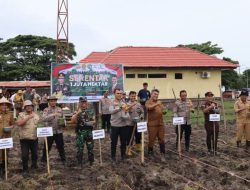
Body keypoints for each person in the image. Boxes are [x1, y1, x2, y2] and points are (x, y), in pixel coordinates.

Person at [16, 100, 39, 175]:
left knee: (35, 154)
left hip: (34, 138)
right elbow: (19, 123)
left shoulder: (36, 115)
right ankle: (25, 168)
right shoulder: (21, 114)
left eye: (30, 106)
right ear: (24, 107)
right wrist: (28, 117)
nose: (29, 107)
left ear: (32, 107)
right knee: (25, 155)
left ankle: (34, 165)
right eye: (27, 106)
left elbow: (39, 124)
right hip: (24, 139)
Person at [71, 97, 96, 166]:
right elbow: (72, 121)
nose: (83, 104)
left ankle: (91, 161)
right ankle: (80, 162)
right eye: (82, 102)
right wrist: (77, 113)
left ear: (87, 102)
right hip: (80, 132)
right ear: (79, 103)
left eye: (85, 102)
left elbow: (94, 120)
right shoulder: (76, 111)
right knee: (80, 148)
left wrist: (90, 123)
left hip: (89, 132)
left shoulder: (90, 111)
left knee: (90, 147)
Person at [41, 96, 66, 163]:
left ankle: (63, 159)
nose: (53, 102)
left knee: (61, 146)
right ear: (49, 102)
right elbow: (43, 119)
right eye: (51, 101)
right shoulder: (46, 110)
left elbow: (63, 118)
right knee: (47, 147)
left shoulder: (60, 109)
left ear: (56, 101)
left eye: (54, 101)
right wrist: (53, 115)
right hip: (49, 131)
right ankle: (44, 159)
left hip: (58, 131)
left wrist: (63, 123)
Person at [109, 88, 129, 163]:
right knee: (113, 142)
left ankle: (123, 156)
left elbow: (127, 112)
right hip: (115, 126)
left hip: (123, 125)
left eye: (120, 93)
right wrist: (119, 107)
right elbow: (111, 111)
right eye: (118, 93)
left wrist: (126, 114)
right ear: (114, 94)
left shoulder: (124, 103)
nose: (119, 95)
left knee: (123, 142)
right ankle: (113, 157)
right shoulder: (111, 102)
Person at [145, 89, 166, 158]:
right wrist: (156, 104)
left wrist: (163, 111)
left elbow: (163, 109)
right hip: (152, 125)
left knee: (162, 138)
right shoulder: (148, 102)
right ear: (151, 94)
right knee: (152, 139)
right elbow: (149, 108)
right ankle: (150, 152)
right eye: (155, 94)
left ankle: (162, 152)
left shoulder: (159, 102)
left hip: (160, 124)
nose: (156, 95)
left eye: (157, 94)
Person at [0, 97, 14, 178]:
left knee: (6, 152)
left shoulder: (10, 114)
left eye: (6, 105)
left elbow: (13, 124)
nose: (4, 106)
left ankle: (5, 167)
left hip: (7, 137)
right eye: (2, 105)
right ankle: (0, 168)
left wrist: (10, 127)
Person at [126, 91, 144, 156]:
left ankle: (138, 147)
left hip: (138, 123)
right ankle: (129, 150)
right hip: (129, 123)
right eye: (132, 96)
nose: (133, 97)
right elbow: (125, 113)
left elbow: (142, 112)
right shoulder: (127, 104)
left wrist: (141, 116)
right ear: (129, 96)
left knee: (138, 136)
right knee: (129, 137)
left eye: (134, 96)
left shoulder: (138, 104)